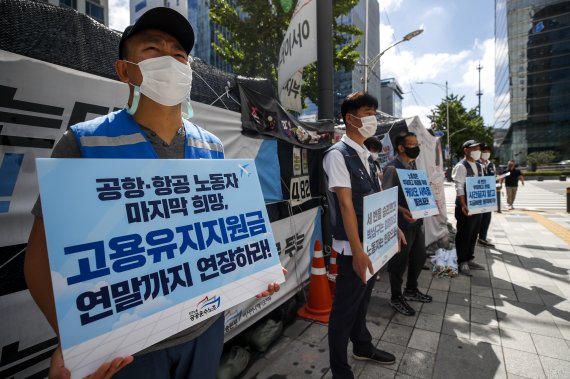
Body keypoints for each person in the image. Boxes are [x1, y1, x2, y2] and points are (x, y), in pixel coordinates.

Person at [24, 8, 282, 379]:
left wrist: (253, 274)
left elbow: (222, 236)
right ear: (124, 70)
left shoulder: (211, 147)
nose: (170, 59)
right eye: (152, 49)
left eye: (178, 54)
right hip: (129, 351)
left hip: (205, 329)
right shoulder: (83, 142)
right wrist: (76, 343)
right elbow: (37, 265)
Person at [323, 92, 404, 379]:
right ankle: (340, 371)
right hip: (352, 248)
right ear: (350, 117)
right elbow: (346, 205)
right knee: (343, 311)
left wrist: (392, 227)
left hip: (373, 243)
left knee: (362, 302)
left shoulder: (368, 157)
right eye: (368, 112)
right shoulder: (337, 155)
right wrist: (357, 252)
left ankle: (362, 345)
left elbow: (376, 199)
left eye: (374, 113)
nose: (374, 119)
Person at [381, 131, 432, 316]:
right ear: (401, 147)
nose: (416, 147)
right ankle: (396, 297)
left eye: (416, 143)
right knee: (398, 264)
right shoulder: (392, 168)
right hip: (401, 225)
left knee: (419, 257)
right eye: (412, 144)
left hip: (417, 223)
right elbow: (384, 201)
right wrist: (401, 210)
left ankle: (411, 289)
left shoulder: (414, 166)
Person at [452, 140, 486, 276]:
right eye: (475, 148)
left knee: (474, 233)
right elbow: (459, 186)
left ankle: (469, 258)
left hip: (477, 206)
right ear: (466, 150)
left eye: (479, 148)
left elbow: (482, 184)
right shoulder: (461, 166)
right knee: (464, 234)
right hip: (465, 207)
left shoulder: (479, 166)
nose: (478, 150)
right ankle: (461, 261)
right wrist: (463, 204)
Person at [477, 144, 496, 247]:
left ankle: (483, 237)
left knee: (487, 217)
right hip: (478, 196)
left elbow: (493, 177)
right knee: (477, 218)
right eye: (484, 151)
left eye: (488, 152)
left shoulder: (491, 165)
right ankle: (474, 236)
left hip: (488, 195)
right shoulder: (475, 163)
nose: (486, 154)